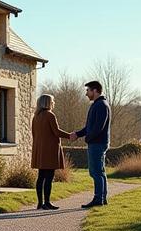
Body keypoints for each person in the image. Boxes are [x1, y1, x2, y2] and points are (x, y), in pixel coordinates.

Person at [70, 80, 111, 208]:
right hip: (97, 142)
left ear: (95, 91)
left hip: (97, 143)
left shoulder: (101, 105)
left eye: (88, 90)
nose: (86, 93)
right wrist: (77, 134)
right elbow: (89, 127)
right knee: (100, 172)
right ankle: (102, 198)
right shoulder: (97, 104)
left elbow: (98, 127)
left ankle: (98, 199)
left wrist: (88, 138)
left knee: (96, 172)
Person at [31, 94, 73, 210]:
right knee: (49, 177)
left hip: (39, 150)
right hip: (50, 150)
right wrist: (70, 136)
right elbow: (56, 131)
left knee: (41, 176)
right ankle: (47, 202)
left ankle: (40, 203)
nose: (53, 103)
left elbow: (34, 134)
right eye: (52, 101)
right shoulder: (50, 115)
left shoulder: (36, 116)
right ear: (48, 103)